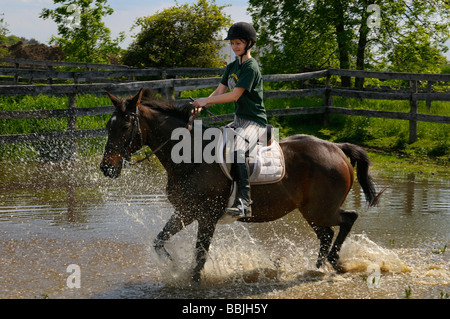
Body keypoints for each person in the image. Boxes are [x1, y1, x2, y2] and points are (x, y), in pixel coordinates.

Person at [192, 22, 267, 218]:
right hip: (238, 120)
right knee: (213, 144)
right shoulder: (232, 66)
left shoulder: (251, 67)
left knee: (237, 149)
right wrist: (202, 105)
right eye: (233, 43)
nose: (235, 47)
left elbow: (234, 96)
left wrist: (205, 100)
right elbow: (219, 91)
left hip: (254, 121)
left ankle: (244, 201)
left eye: (239, 43)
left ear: (249, 43)